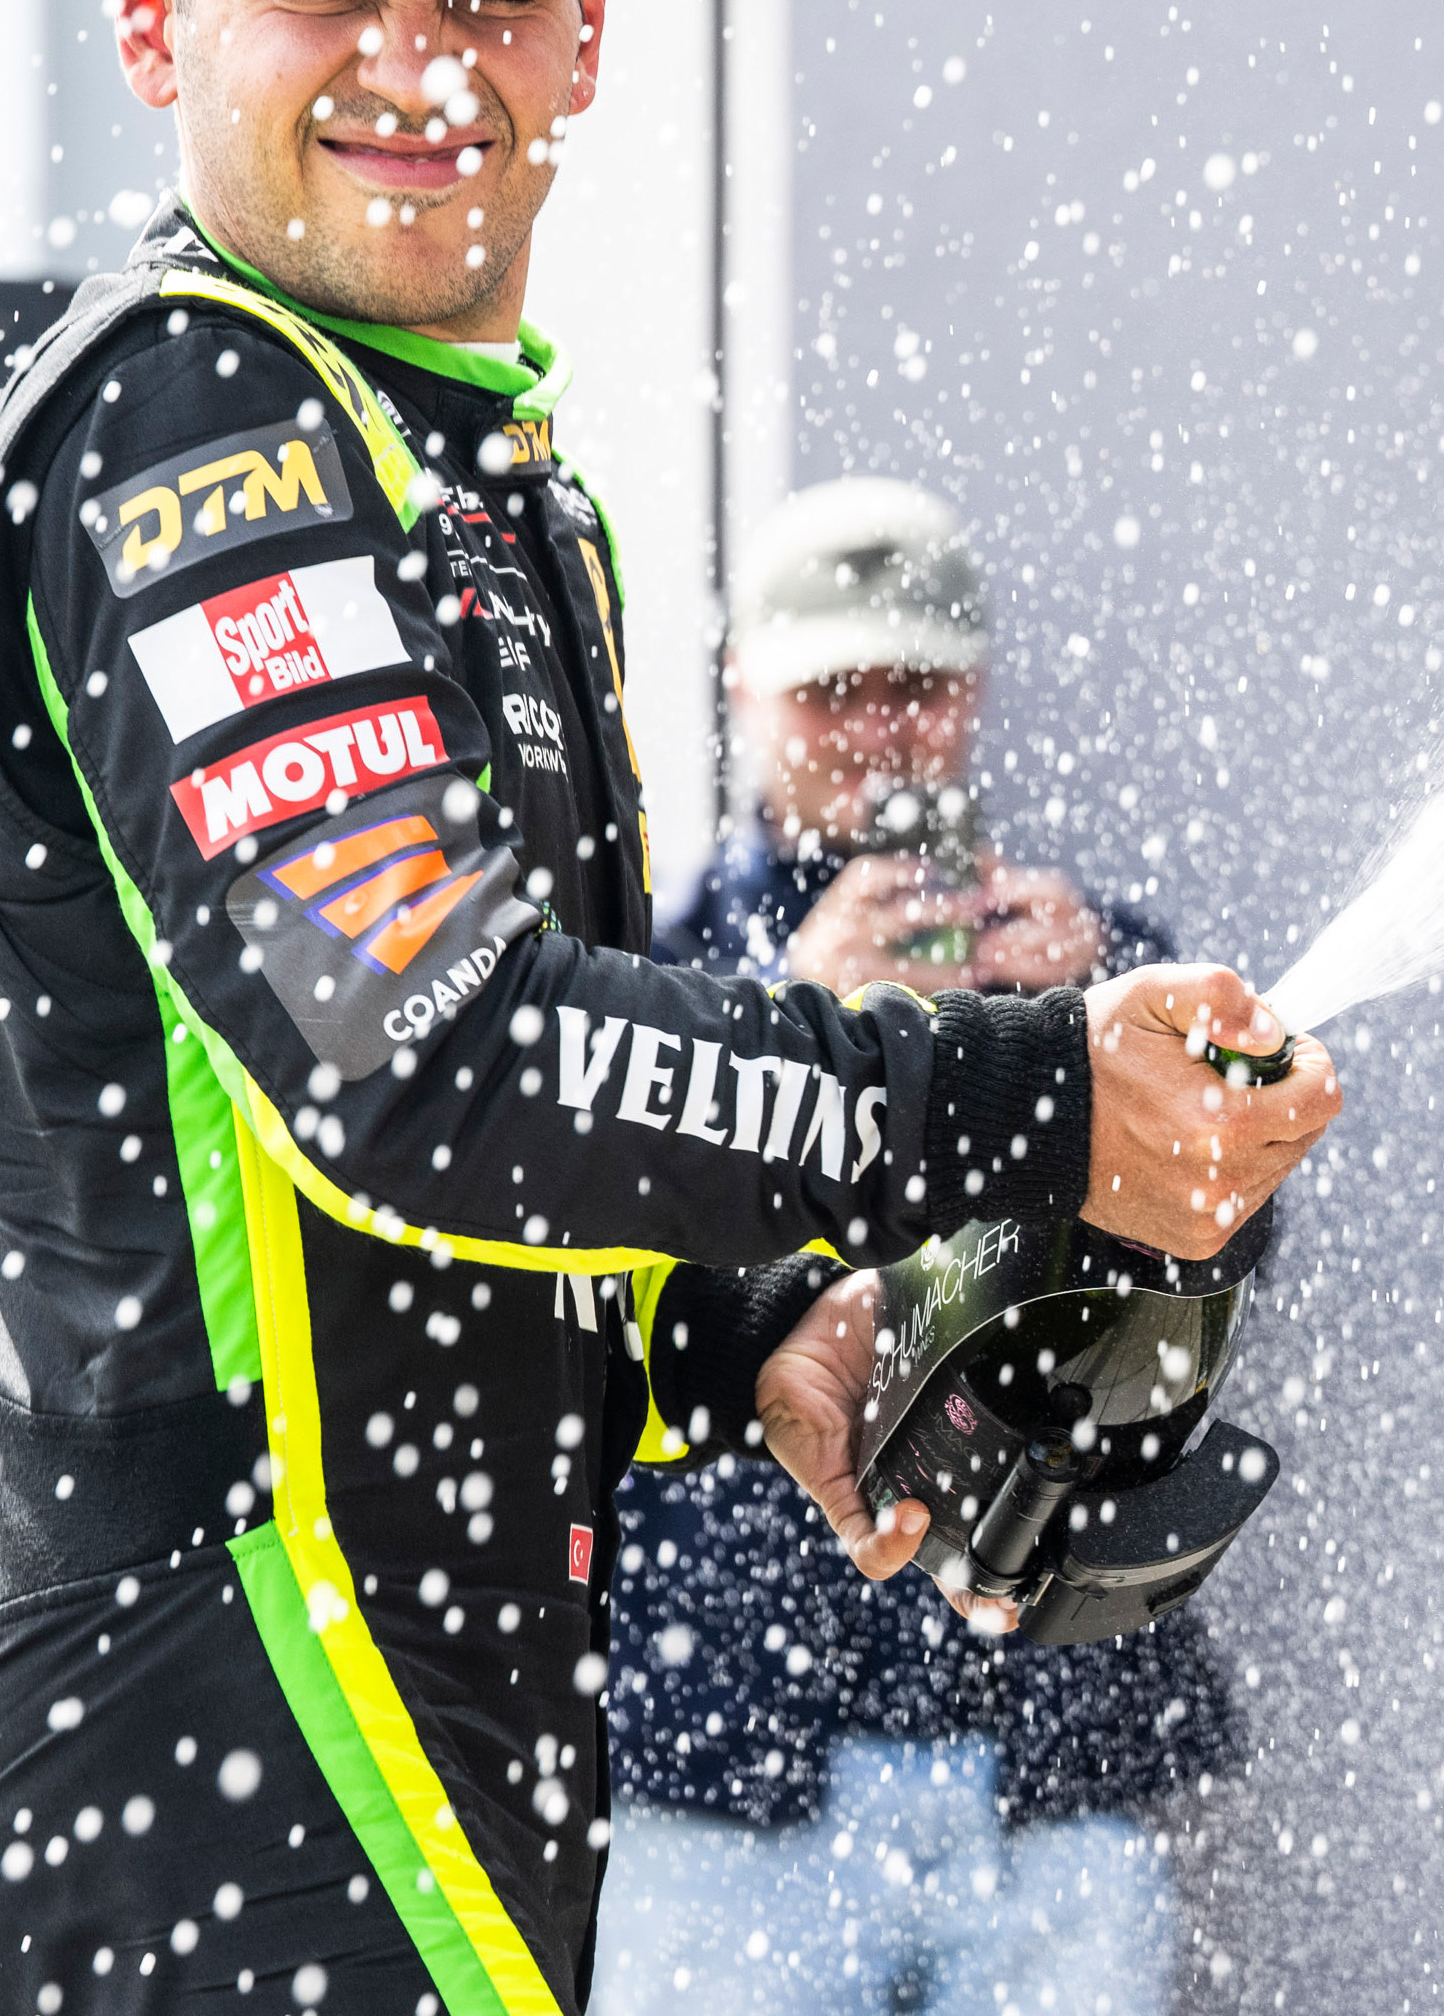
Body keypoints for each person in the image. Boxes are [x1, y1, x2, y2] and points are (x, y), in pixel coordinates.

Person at [0, 0, 1337, 2016]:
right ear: (155, 22)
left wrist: (759, 1329)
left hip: (383, 1725)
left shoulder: (462, 473)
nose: (419, 58)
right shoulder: (197, 413)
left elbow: (451, 1202)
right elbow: (430, 1059)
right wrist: (1036, 1089)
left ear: (585, 37)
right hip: (238, 1724)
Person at [592, 482, 1226, 2016]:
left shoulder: (1113, 974)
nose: (879, 734)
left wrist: (1094, 1057)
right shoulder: (649, 991)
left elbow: (1224, 1278)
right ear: (743, 688)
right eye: (834, 693)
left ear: (977, 691)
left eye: (917, 688)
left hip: (1051, 1768)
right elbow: (602, 1300)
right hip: (732, 1774)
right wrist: (781, 1020)